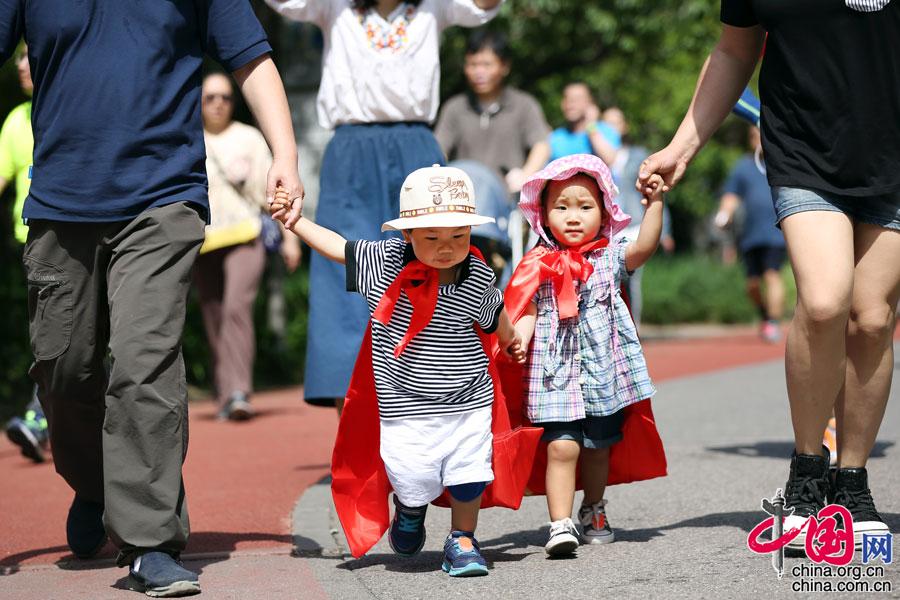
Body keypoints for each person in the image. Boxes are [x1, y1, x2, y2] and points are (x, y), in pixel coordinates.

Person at [1, 1, 304, 596]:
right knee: (65, 372)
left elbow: (252, 59)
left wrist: (286, 156)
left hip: (162, 197)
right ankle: (97, 487)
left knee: (145, 361)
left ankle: (150, 542)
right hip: (61, 204)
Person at [638, 0, 899, 552]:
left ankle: (852, 482)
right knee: (825, 303)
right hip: (804, 148)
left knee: (873, 319)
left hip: (893, 156)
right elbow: (735, 50)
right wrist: (683, 146)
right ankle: (807, 475)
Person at [271, 164, 525, 576]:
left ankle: (462, 540)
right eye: (432, 237)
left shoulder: (476, 272)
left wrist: (511, 340)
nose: (447, 247)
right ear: (407, 234)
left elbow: (494, 315)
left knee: (469, 476)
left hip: (467, 398)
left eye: (458, 236)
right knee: (413, 477)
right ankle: (409, 507)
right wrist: (295, 222)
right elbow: (339, 248)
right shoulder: (384, 263)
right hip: (406, 404)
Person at [263, 0, 502, 412]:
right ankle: (353, 423)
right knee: (346, 274)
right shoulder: (335, 6)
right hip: (351, 147)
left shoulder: (433, 6)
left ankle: (442, 402)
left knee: (437, 265)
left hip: (416, 143)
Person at [508, 154, 665, 556]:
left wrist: (655, 205)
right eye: (561, 207)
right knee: (561, 446)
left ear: (605, 212)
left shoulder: (609, 257)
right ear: (543, 215)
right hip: (554, 374)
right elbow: (525, 308)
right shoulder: (537, 262)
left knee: (598, 446)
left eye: (585, 207)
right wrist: (519, 339)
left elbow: (644, 247)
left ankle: (593, 507)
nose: (573, 217)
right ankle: (559, 523)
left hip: (602, 371)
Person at [196, 72, 302, 421]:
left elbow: (275, 193)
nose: (218, 104)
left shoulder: (249, 138)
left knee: (235, 309)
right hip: (203, 242)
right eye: (210, 97)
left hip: (246, 236)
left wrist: (290, 239)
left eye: (225, 97)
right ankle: (224, 390)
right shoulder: (189, 138)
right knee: (213, 316)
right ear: (199, 102)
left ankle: (239, 390)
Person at [0, 44, 50, 464]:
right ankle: (44, 416)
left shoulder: (81, 106)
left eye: (28, 54)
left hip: (80, 235)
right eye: (18, 56)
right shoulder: (17, 120)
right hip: (32, 242)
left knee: (71, 336)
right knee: (52, 334)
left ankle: (41, 417)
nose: (20, 65)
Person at [435, 28, 551, 194]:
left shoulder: (524, 105)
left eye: (487, 65)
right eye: (473, 65)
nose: (479, 72)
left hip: (507, 200)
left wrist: (526, 175)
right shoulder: (454, 107)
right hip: (463, 198)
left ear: (504, 66)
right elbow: (439, 150)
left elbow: (541, 146)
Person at [602, 106, 674, 329]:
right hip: (607, 228)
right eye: (606, 123)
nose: (611, 128)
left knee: (631, 279)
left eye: (615, 122)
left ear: (624, 127)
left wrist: (664, 230)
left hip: (634, 225)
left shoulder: (639, 156)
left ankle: (633, 327)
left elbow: (654, 191)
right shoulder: (596, 156)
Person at [715, 125, 786, 343]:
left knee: (772, 275)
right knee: (752, 284)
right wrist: (724, 214)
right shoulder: (743, 167)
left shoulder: (783, 162)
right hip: (751, 235)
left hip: (777, 232)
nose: (758, 140)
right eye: (754, 136)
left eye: (761, 136)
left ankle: (773, 322)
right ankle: (765, 314)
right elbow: (731, 195)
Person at [548, 82, 620, 165]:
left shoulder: (605, 130)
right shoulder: (555, 137)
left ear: (590, 102)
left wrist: (591, 127)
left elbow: (609, 159)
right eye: (567, 98)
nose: (570, 104)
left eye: (577, 99)